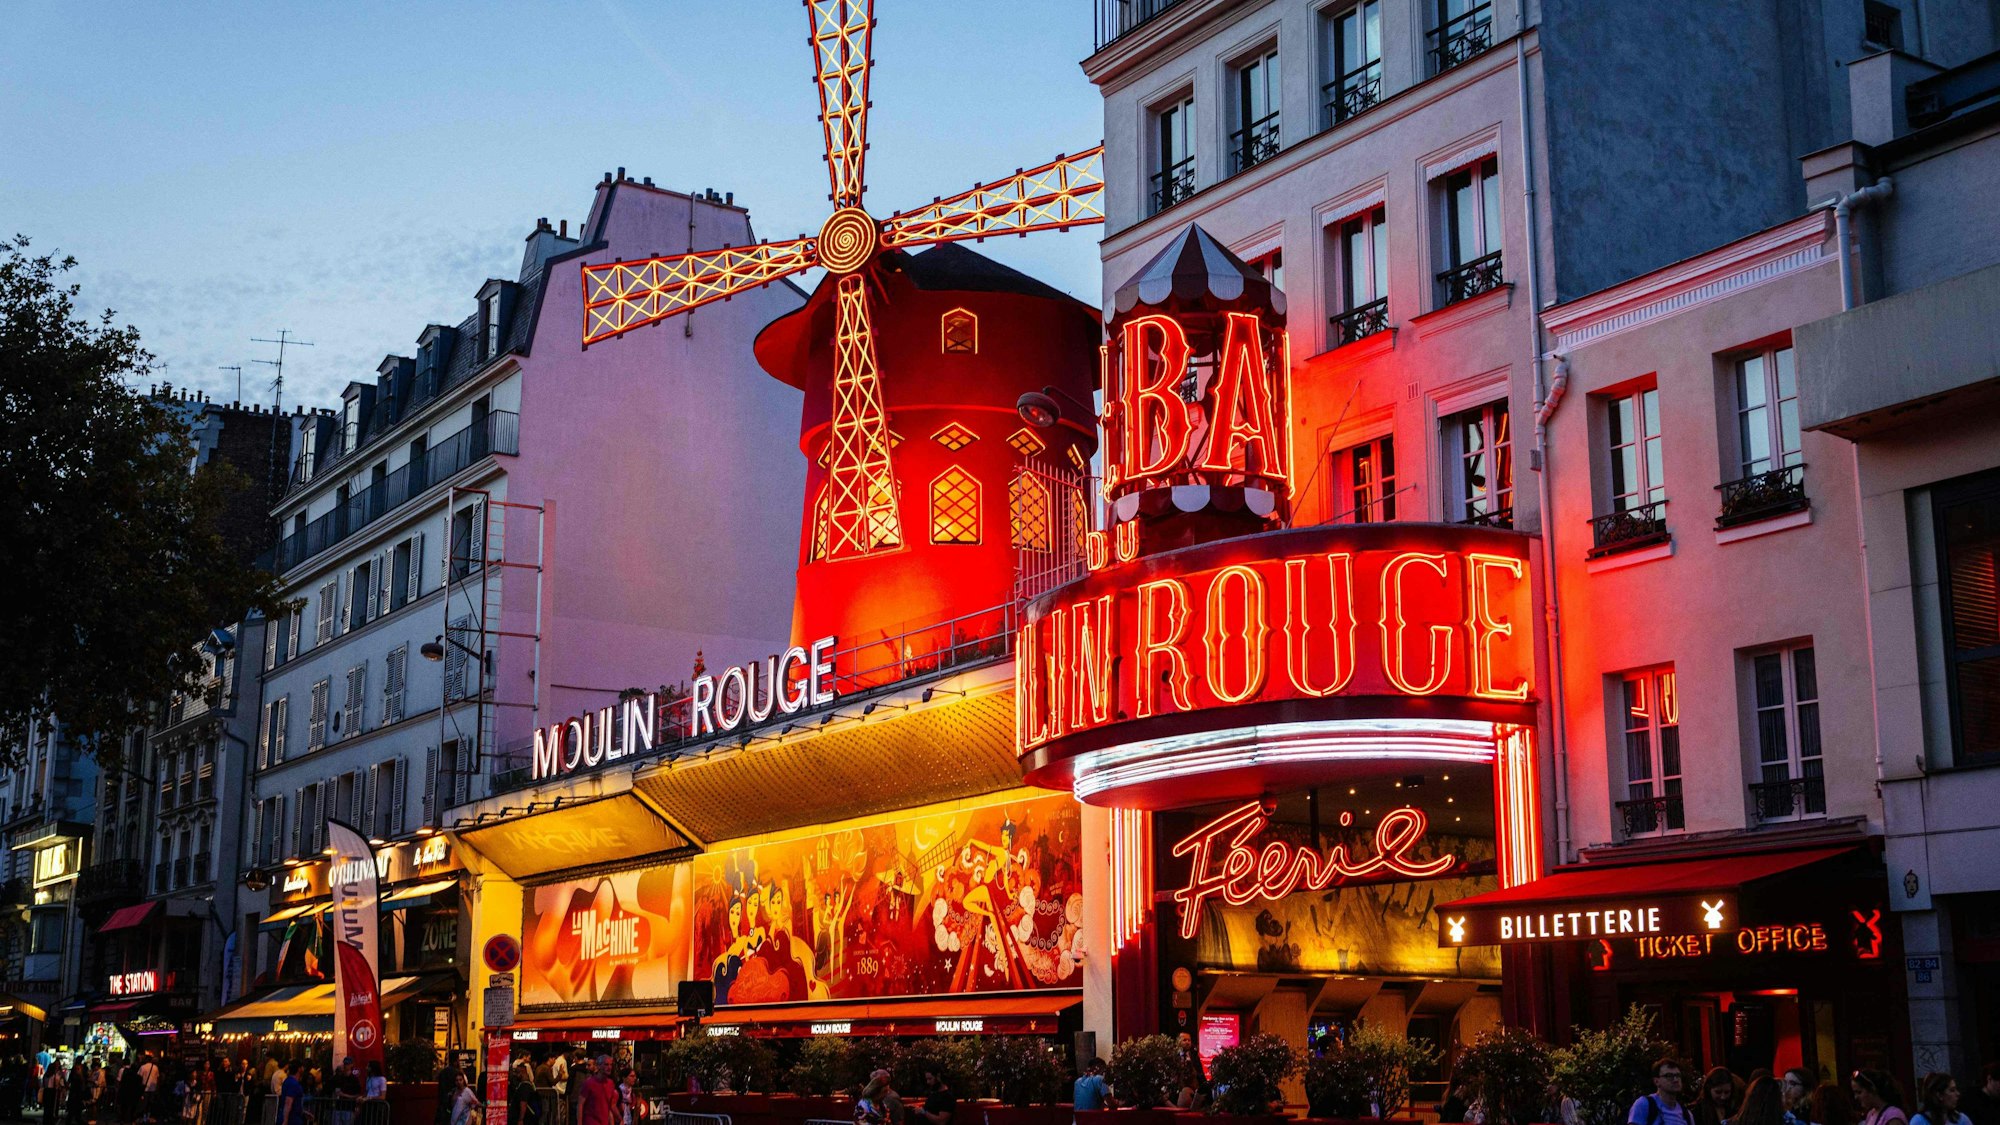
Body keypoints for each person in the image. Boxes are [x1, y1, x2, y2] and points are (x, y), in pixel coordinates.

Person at [1632, 1059, 1693, 1125]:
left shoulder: (1686, 1114)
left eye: (1678, 1075)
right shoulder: (1645, 1105)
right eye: (1669, 1076)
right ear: (1656, 1081)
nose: (1675, 1080)